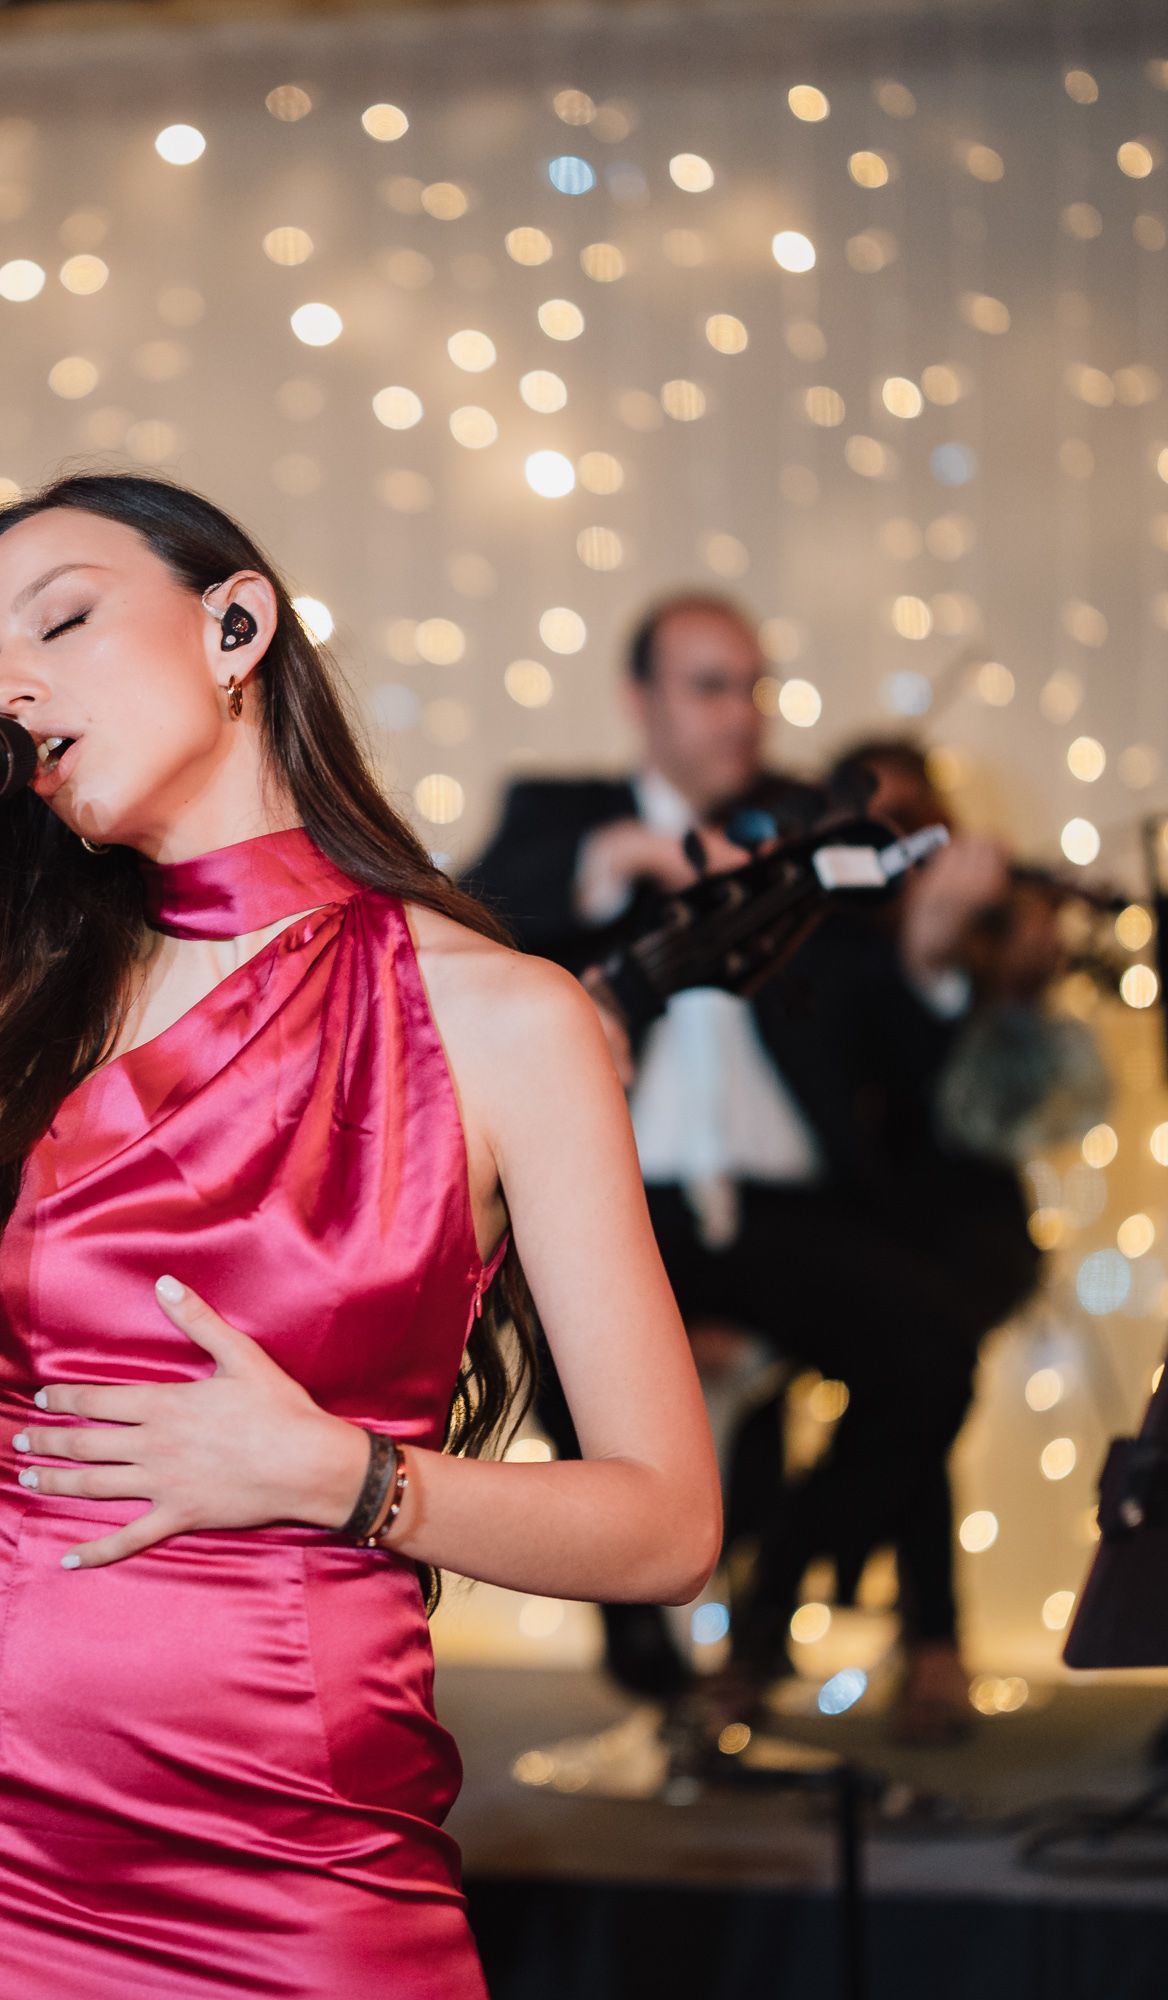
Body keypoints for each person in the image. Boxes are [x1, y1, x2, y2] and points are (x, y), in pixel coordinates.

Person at [0, 475, 720, 1999]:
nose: (16, 688)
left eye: (61, 620)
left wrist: (345, 1477)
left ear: (237, 622)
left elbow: (665, 1526)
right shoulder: (26, 1000)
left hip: (306, 1833)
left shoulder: (507, 1019)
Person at [464, 603, 1036, 1748]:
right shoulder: (562, 813)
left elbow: (894, 1056)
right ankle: (640, 1644)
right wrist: (613, 861)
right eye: (711, 686)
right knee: (573, 1319)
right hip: (629, 1200)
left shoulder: (803, 832)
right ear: (643, 704)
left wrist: (927, 954)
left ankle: (781, 1579)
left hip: (786, 1209)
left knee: (931, 1348)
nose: (743, 714)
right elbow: (465, 915)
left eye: (754, 687)